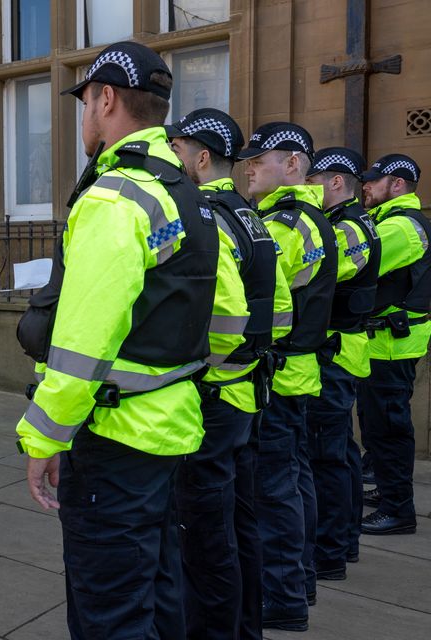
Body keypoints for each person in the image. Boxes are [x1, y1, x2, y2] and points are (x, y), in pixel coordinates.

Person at [15, 42, 219, 639]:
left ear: (105, 100)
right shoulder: (187, 196)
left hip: (115, 439)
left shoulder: (116, 198)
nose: (82, 120)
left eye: (83, 105)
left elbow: (82, 344)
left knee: (111, 611)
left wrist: (44, 436)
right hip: (170, 426)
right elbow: (227, 312)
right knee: (158, 590)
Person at [167, 108, 292, 640]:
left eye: (178, 152)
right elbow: (280, 308)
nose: (172, 161)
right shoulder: (252, 218)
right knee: (241, 527)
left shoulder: (204, 216)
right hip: (248, 395)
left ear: (200, 158)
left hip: (215, 399)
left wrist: (203, 370)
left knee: (207, 539)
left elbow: (225, 318)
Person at [240, 122, 338, 631]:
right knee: (296, 483)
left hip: (277, 376)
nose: (249, 168)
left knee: (273, 491)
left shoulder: (282, 226)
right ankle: (300, 580)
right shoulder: (313, 219)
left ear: (294, 164)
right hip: (299, 374)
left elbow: (257, 300)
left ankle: (282, 597)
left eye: (260, 159)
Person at [304, 148, 380, 579]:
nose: (307, 187)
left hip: (335, 353)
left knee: (327, 457)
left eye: (313, 180)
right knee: (340, 454)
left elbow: (320, 275)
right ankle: (343, 541)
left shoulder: (349, 227)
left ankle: (330, 550)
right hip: (338, 351)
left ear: (335, 182)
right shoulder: (343, 222)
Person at [358, 153, 427, 535]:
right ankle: (387, 492)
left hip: (390, 344)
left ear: (396, 185)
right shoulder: (390, 221)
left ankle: (398, 509)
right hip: (384, 342)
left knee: (389, 430)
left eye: (373, 180)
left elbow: (359, 265)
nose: (365, 186)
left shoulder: (401, 226)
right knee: (378, 426)